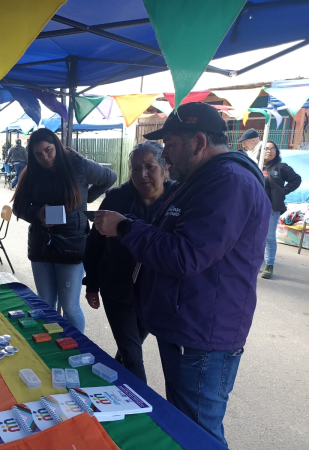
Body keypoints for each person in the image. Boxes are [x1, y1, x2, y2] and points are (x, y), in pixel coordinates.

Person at [93, 103, 270, 447]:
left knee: (199, 432)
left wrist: (126, 227)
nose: (167, 157)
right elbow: (168, 233)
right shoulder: (200, 180)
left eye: (170, 145)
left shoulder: (228, 182)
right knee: (185, 425)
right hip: (186, 327)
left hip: (203, 336)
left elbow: (186, 255)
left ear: (199, 142)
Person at [84, 141, 174, 383]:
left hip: (153, 294)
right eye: (135, 169)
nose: (142, 174)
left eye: (149, 167)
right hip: (117, 289)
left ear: (165, 168)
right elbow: (94, 244)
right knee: (132, 355)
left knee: (127, 351)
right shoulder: (116, 199)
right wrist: (91, 283)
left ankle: (109, 385)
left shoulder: (178, 199)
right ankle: (146, 412)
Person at [12, 128, 117, 333]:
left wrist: (84, 199)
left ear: (57, 146)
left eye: (49, 150)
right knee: (46, 304)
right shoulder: (31, 171)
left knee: (69, 306)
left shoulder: (78, 164)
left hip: (72, 243)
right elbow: (18, 206)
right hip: (42, 244)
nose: (45, 157)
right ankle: (51, 347)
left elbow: (110, 178)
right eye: (38, 154)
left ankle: (78, 348)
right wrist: (36, 213)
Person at [260, 141, 302, 279]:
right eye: (266, 148)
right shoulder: (256, 165)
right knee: (253, 235)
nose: (269, 151)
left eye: (273, 148)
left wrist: (283, 191)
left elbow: (296, 179)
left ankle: (269, 265)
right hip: (255, 207)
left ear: (276, 151)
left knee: (269, 237)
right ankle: (255, 261)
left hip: (272, 206)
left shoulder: (281, 167)